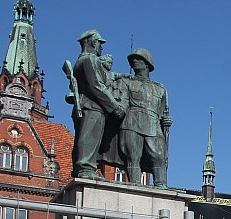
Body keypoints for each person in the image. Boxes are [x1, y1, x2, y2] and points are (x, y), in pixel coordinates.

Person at [71, 29, 126, 180]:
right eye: (100, 43)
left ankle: (80, 168)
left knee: (83, 136)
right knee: (89, 137)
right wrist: (115, 107)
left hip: (84, 105)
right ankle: (86, 168)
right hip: (92, 106)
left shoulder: (80, 61)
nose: (101, 47)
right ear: (93, 42)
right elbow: (97, 86)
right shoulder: (90, 59)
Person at [116, 48, 171, 187]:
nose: (134, 61)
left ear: (147, 64)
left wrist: (166, 120)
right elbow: (120, 103)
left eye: (138, 59)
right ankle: (135, 186)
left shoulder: (160, 89)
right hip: (131, 122)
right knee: (133, 157)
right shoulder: (126, 82)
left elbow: (163, 112)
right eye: (132, 59)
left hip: (153, 124)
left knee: (159, 156)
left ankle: (161, 185)